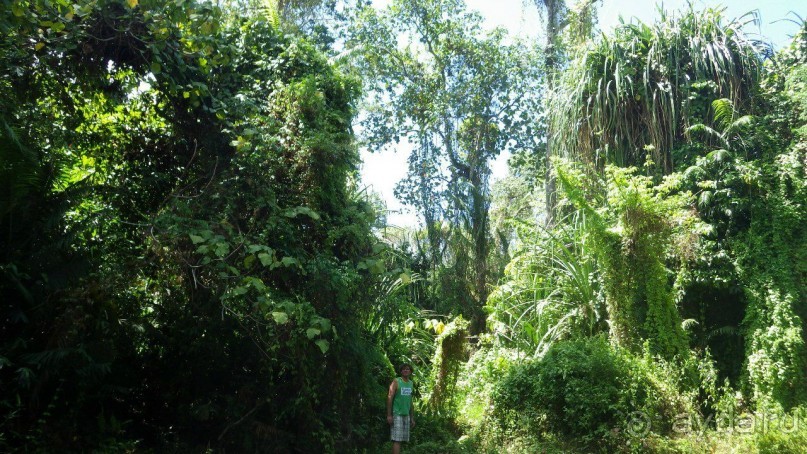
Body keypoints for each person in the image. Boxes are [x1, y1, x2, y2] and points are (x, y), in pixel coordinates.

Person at [387, 363, 415, 453]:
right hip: (397, 414)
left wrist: (412, 418)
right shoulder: (396, 381)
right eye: (403, 369)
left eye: (407, 369)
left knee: (401, 440)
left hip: (406, 414)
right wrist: (389, 415)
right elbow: (390, 397)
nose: (405, 370)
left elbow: (410, 401)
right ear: (401, 371)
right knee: (397, 440)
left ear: (410, 371)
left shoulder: (411, 383)